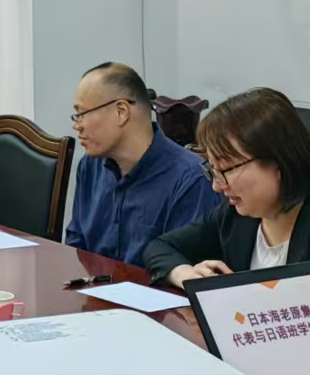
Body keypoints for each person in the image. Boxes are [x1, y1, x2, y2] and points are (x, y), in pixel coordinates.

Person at [144, 87, 310, 335]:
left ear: (279, 160)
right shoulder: (238, 215)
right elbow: (160, 247)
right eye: (213, 170)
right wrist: (186, 274)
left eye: (227, 170)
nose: (217, 185)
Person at [64, 62, 222, 266]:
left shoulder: (191, 181)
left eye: (82, 114)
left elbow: (187, 272)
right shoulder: (90, 166)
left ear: (121, 111)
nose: (77, 125)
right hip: (94, 285)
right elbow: (76, 242)